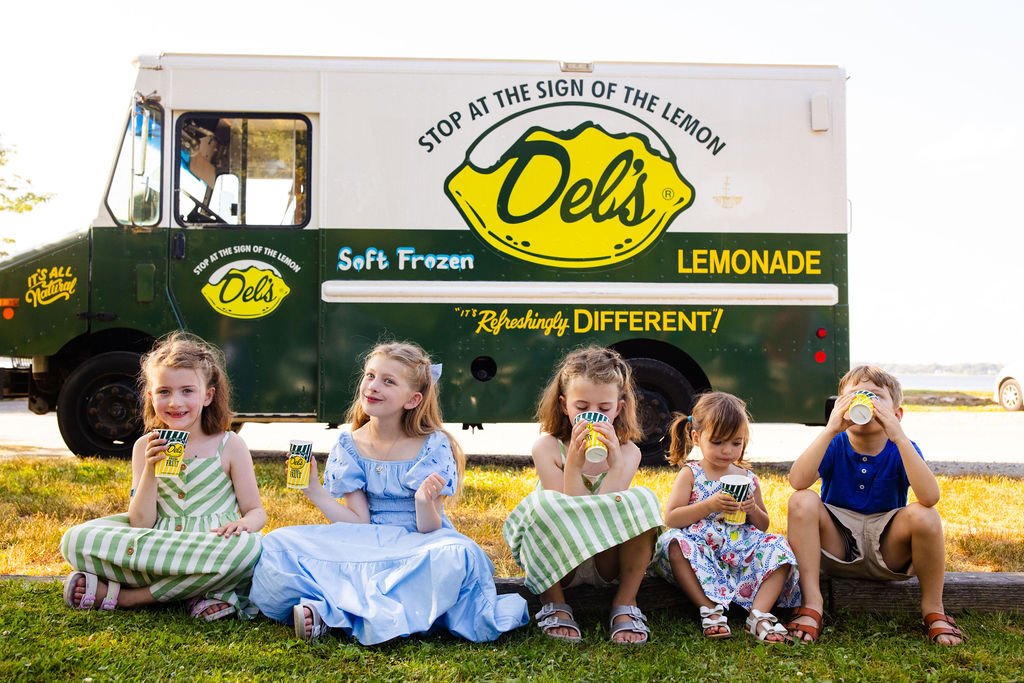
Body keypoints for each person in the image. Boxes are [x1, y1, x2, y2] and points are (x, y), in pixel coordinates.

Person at [250, 341, 528, 645]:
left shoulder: (432, 445)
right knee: (278, 543)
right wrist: (314, 490)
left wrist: (423, 502)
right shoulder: (349, 444)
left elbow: (430, 529)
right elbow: (358, 524)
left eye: (388, 381)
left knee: (456, 555)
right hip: (368, 543)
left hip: (420, 544)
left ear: (412, 400)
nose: (373, 386)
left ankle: (333, 612)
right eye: (370, 376)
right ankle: (343, 612)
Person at [60, 332, 266, 620]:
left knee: (248, 550)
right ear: (150, 396)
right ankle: (198, 590)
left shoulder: (229, 445)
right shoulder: (144, 447)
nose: (175, 402)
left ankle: (130, 597)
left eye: (187, 391)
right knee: (74, 539)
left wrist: (243, 525)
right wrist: (151, 472)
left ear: (208, 395)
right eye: (164, 392)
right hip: (161, 544)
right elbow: (140, 522)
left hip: (211, 544)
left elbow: (256, 511)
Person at [785, 366, 966, 645]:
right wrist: (830, 429)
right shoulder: (835, 443)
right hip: (839, 548)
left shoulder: (902, 447)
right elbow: (798, 480)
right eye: (855, 396)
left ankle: (934, 610)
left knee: (926, 515)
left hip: (888, 551)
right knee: (801, 500)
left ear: (897, 414)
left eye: (875, 396)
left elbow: (930, 497)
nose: (865, 401)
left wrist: (899, 437)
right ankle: (812, 602)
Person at [502, 346, 663, 645]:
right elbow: (564, 514)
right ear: (564, 406)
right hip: (560, 560)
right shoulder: (547, 447)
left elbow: (609, 517)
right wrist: (573, 465)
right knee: (544, 503)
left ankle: (625, 603)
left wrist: (615, 463)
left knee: (643, 499)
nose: (594, 416)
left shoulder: (629, 452)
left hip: (605, 555)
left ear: (619, 408)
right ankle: (555, 604)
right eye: (582, 407)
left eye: (604, 408)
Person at [652, 392, 800, 643]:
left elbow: (763, 525)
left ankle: (759, 615)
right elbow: (672, 518)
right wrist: (708, 505)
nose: (727, 450)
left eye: (736, 442)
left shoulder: (747, 477)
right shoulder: (691, 473)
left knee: (780, 547)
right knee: (673, 543)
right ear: (697, 438)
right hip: (702, 548)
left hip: (740, 548)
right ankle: (709, 609)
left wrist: (752, 508)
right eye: (718, 442)